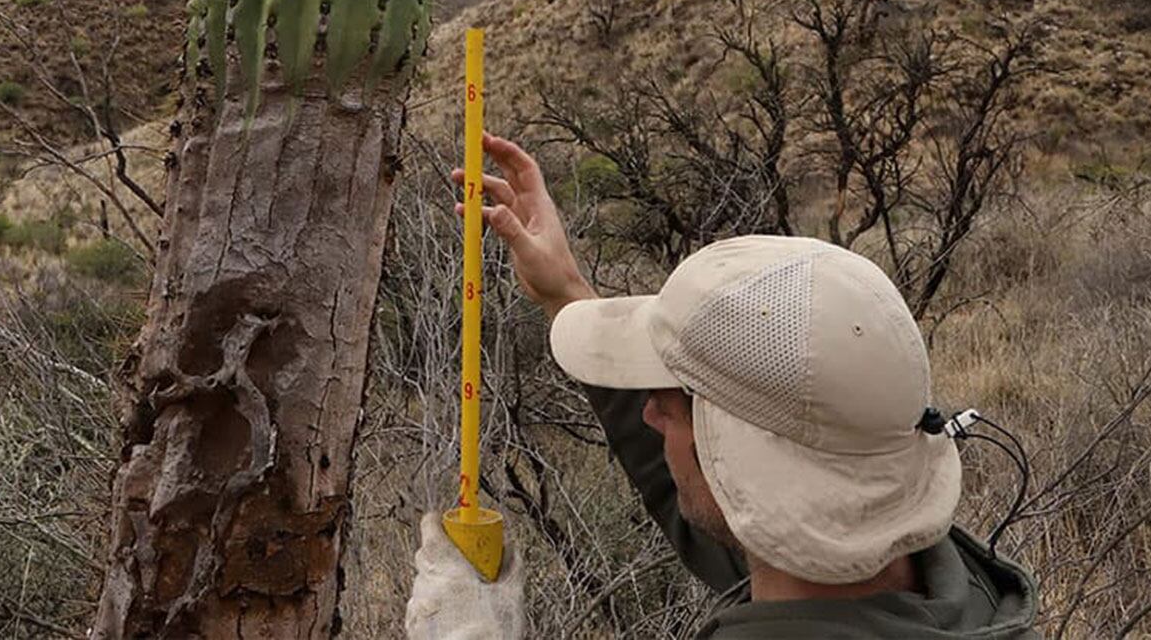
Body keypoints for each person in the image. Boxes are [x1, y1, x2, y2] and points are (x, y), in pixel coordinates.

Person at [405, 133, 1039, 639]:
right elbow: (723, 500)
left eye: (675, 404)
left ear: (745, 461)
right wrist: (568, 293)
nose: (650, 416)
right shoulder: (942, 584)